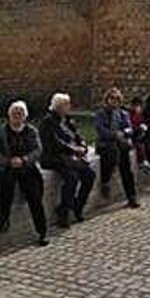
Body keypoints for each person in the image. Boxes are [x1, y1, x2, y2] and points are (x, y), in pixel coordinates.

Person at [0, 100, 48, 246]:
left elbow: (38, 150)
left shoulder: (31, 131)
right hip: (7, 167)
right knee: (6, 187)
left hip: (26, 167)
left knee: (34, 196)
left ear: (25, 116)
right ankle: (4, 219)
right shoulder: (1, 132)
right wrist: (8, 161)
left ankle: (42, 232)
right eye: (14, 112)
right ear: (9, 115)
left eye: (20, 113)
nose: (17, 115)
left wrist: (24, 160)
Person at [38, 93, 96, 228]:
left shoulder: (67, 120)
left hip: (70, 157)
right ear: (58, 106)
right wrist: (74, 150)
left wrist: (82, 145)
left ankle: (78, 206)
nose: (69, 107)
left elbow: (77, 135)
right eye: (66, 105)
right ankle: (64, 211)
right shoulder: (48, 122)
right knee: (72, 177)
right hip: (54, 157)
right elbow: (55, 143)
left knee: (89, 175)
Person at [95, 88, 140, 208]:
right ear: (107, 100)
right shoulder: (101, 114)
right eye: (112, 98)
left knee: (126, 168)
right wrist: (115, 135)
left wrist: (123, 133)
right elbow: (101, 131)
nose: (114, 101)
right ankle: (106, 181)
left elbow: (129, 128)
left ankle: (132, 196)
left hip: (120, 145)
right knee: (112, 153)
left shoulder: (122, 114)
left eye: (117, 99)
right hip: (106, 145)